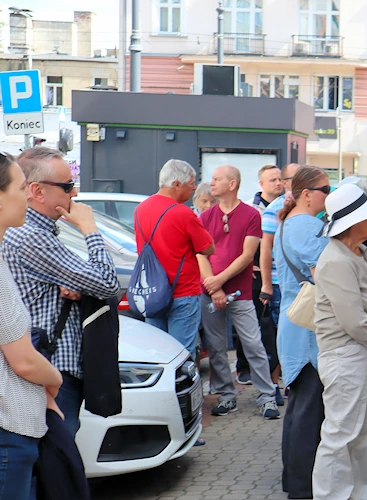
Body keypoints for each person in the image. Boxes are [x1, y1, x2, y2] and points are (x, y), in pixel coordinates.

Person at [2, 147, 120, 436]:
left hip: (47, 367)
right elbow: (107, 282)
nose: (74, 194)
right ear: (36, 191)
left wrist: (70, 286)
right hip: (51, 370)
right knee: (54, 469)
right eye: (67, 186)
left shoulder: (35, 233)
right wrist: (90, 229)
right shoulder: (31, 236)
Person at [311, 183, 367, 500]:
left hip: (363, 352)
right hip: (346, 355)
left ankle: (353, 493)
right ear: (354, 221)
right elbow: (352, 319)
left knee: (360, 433)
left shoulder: (358, 251)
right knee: (342, 433)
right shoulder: (335, 260)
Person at [0, 153, 64, 498]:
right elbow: (23, 360)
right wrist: (54, 381)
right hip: (7, 431)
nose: (27, 195)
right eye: (22, 187)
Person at [198, 166, 280, 420]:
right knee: (216, 346)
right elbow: (200, 253)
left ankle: (267, 395)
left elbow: (247, 255)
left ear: (232, 184)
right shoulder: (205, 217)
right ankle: (226, 395)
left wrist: (219, 282)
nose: (211, 183)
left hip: (240, 292)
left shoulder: (250, 215)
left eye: (216, 179)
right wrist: (214, 287)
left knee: (253, 344)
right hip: (210, 291)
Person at [273, 166, 331, 499]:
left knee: (299, 407)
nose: (329, 195)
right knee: (308, 411)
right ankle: (302, 487)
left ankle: (293, 481)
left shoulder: (289, 223)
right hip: (309, 329)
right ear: (307, 193)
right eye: (325, 189)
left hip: (295, 325)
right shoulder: (307, 226)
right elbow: (327, 273)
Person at [133, 159, 215, 359]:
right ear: (177, 184)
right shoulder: (183, 213)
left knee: (158, 354)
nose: (194, 188)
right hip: (183, 292)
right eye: (191, 184)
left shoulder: (140, 209)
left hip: (152, 292)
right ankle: (182, 390)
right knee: (182, 355)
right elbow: (208, 248)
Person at [234, 164, 285, 396]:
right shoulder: (250, 209)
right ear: (261, 184)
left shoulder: (287, 207)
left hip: (278, 275)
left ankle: (274, 373)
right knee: (254, 325)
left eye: (280, 179)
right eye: (272, 180)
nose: (278, 183)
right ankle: (245, 368)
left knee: (271, 330)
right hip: (255, 276)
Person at [260, 163, 301, 359]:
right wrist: (267, 284)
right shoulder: (274, 210)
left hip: (304, 282)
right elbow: (266, 247)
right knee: (284, 336)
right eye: (297, 178)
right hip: (280, 283)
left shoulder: (310, 207)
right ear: (286, 183)